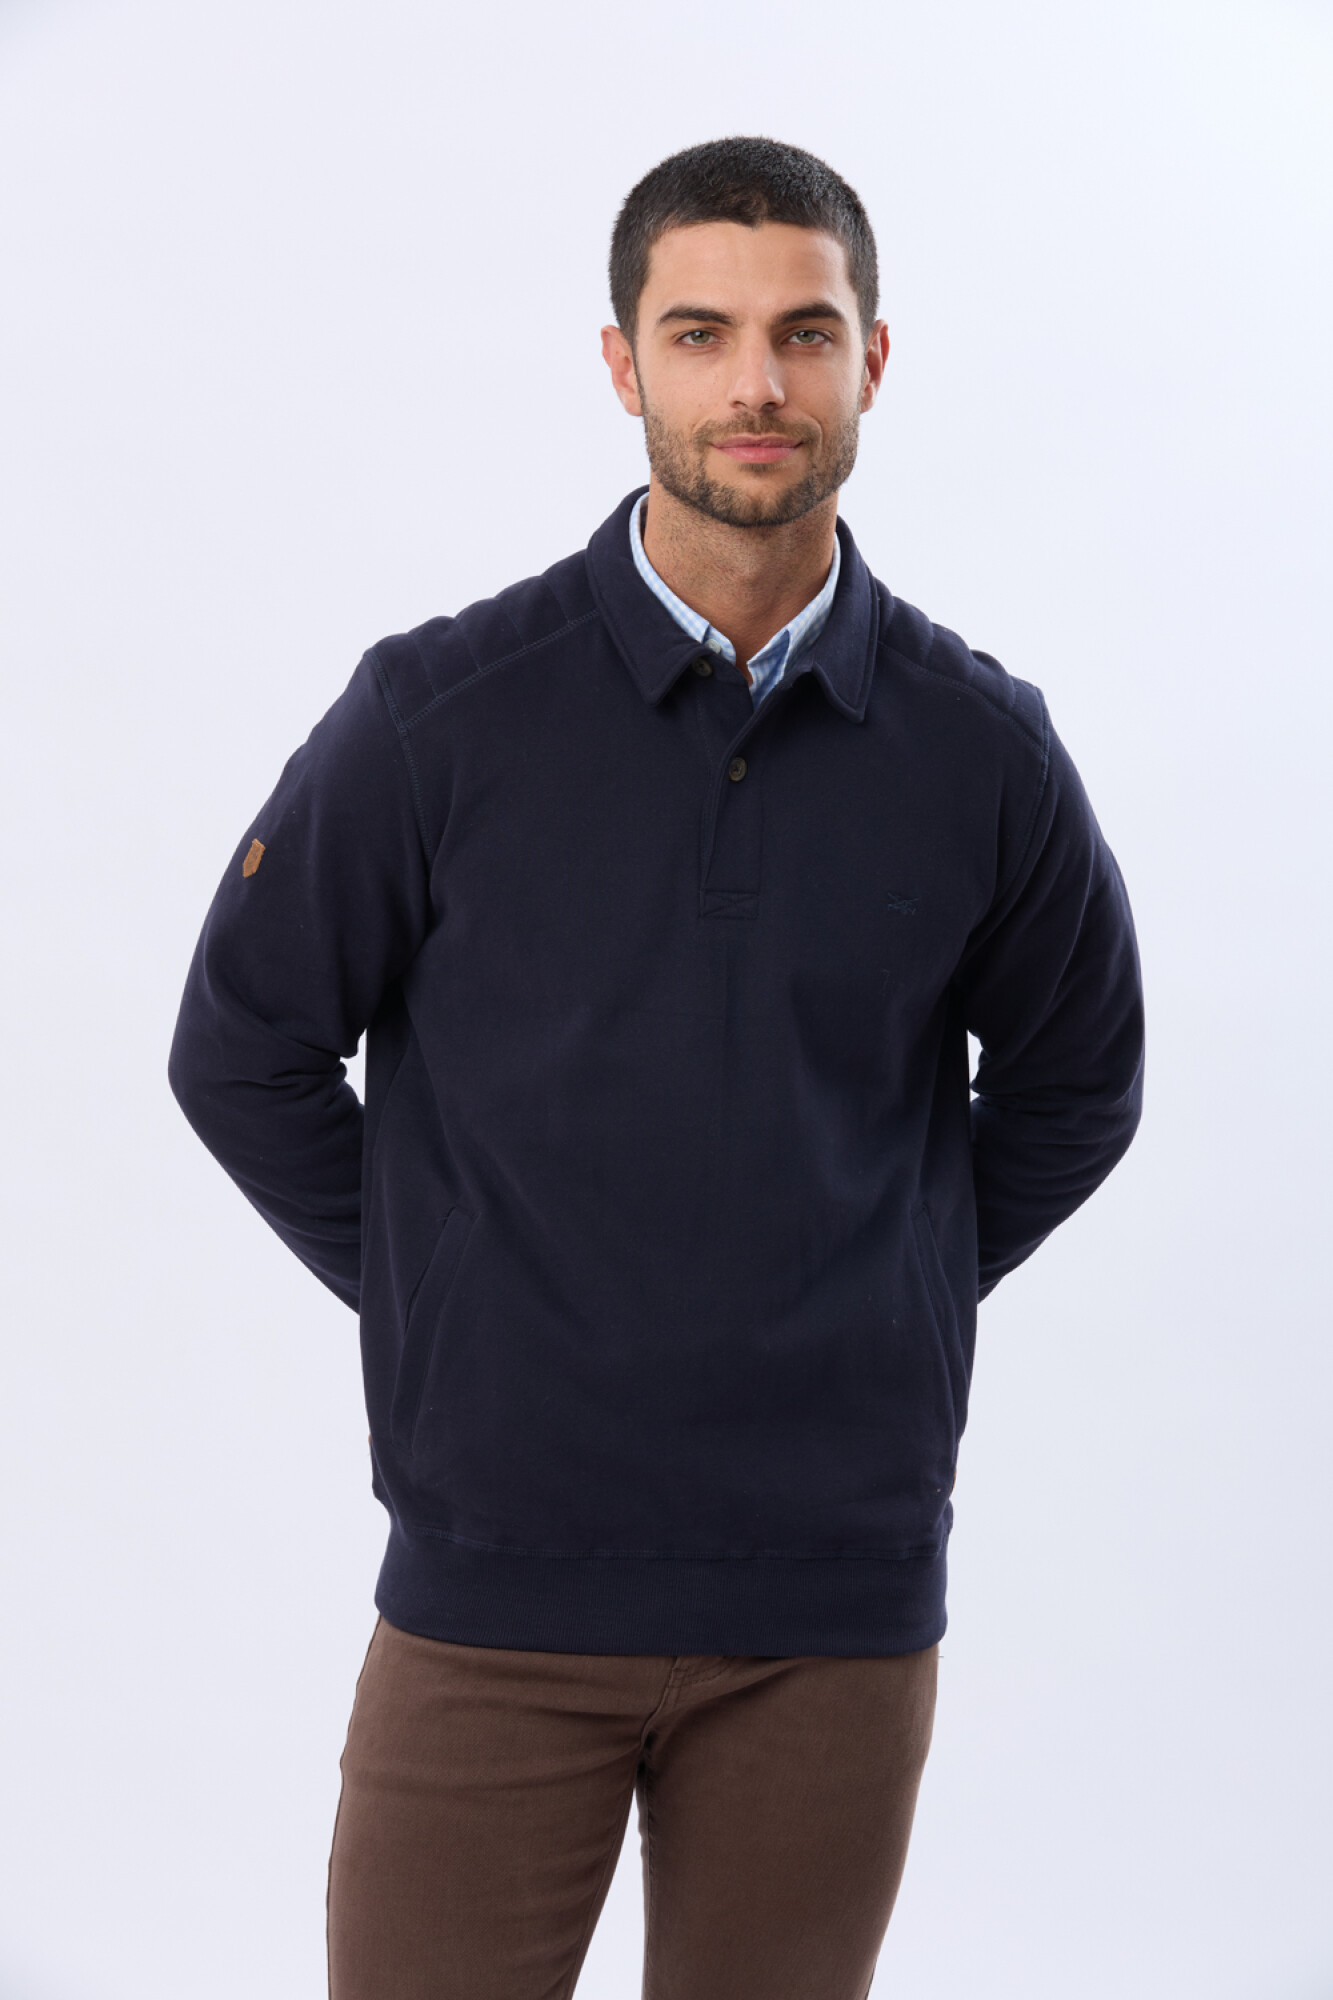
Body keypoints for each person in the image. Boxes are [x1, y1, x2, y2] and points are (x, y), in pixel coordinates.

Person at [168, 134, 1144, 2000]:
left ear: (872, 360)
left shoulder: (983, 750)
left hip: (832, 1606)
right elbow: (242, 1050)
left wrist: (879, 1287)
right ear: (624, 363)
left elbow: (1077, 1085)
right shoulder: (437, 716)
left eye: (803, 332)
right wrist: (458, 1294)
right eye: (700, 334)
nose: (755, 383)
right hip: (495, 1591)